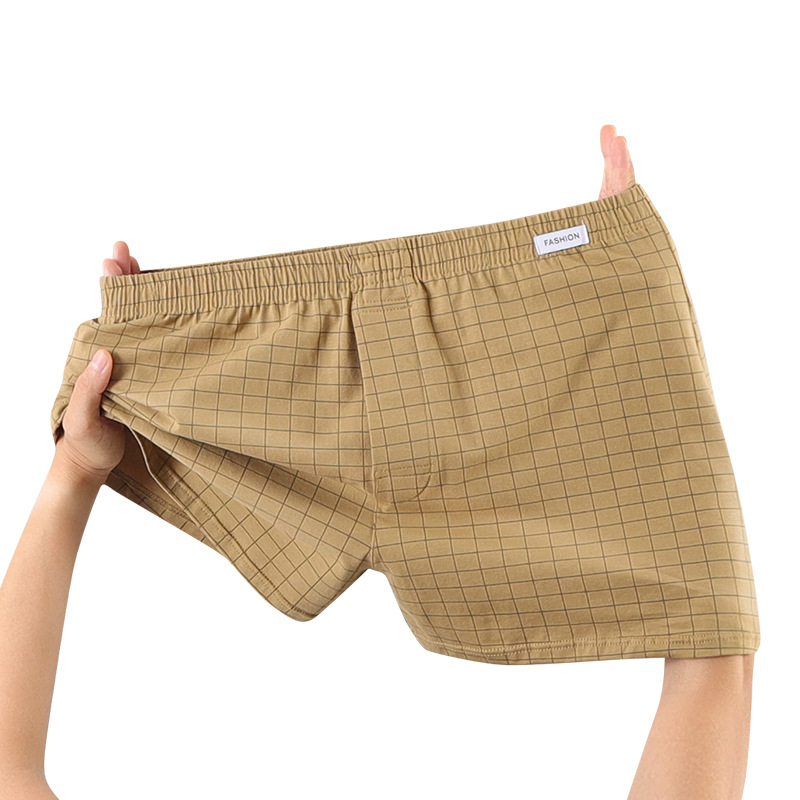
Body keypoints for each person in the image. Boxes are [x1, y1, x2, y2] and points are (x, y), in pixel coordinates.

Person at [0, 125, 754, 800]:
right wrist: (613, 292)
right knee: (709, 626)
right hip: (508, 358)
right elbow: (713, 651)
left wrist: (78, 468)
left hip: (261, 388)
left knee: (711, 629)